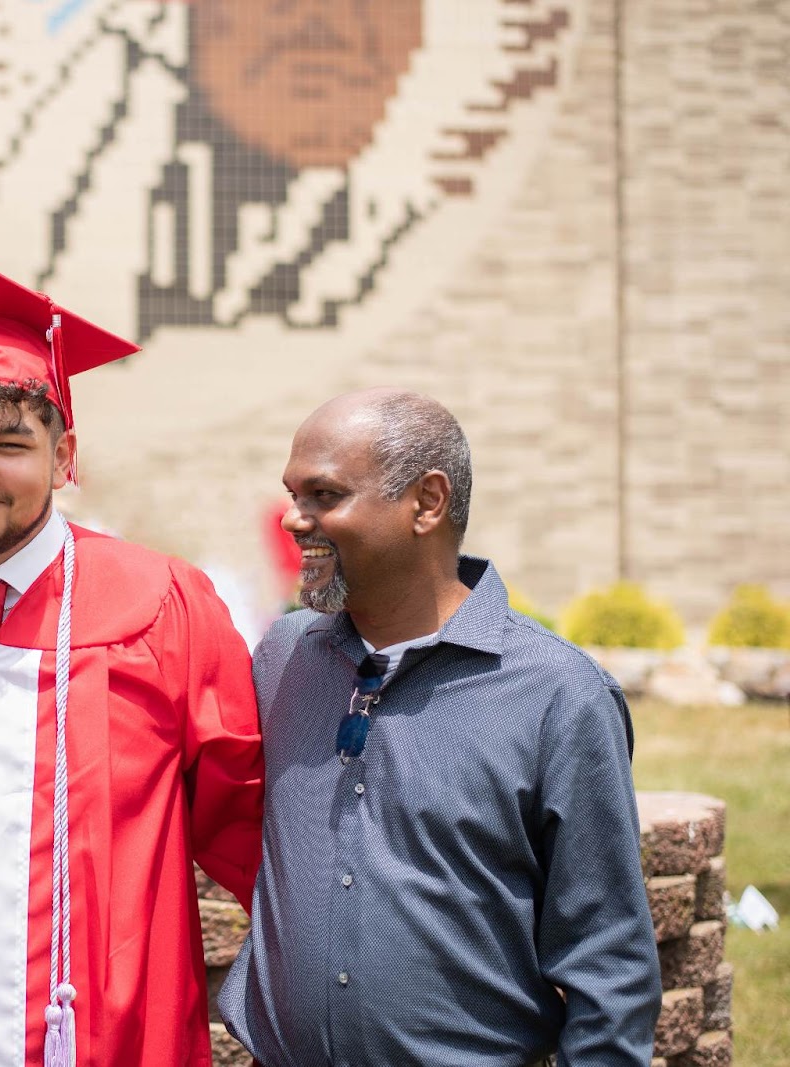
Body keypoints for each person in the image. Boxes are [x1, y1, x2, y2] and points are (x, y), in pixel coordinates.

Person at [0, 266, 265, 1066]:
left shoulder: (161, 606)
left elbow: (253, 823)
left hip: (105, 1039)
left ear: (64, 455)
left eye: (8, 444)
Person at [217, 389, 662, 1066]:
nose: (290, 518)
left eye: (323, 495)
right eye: (292, 493)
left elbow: (612, 974)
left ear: (426, 502)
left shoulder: (557, 696)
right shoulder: (283, 659)